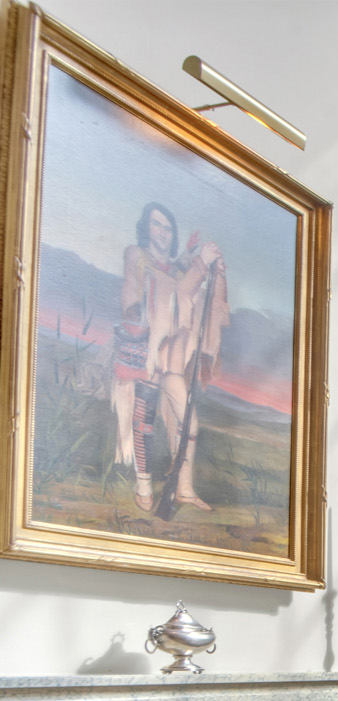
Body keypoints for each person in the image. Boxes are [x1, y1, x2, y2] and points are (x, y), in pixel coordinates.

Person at [111, 202, 229, 513]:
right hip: (147, 356)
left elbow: (184, 293)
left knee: (189, 425)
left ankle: (184, 489)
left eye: (168, 227)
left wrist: (204, 267)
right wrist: (198, 265)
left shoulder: (178, 269)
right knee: (144, 420)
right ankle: (144, 486)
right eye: (157, 225)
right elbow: (170, 293)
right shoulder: (137, 256)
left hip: (172, 364)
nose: (163, 232)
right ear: (145, 227)